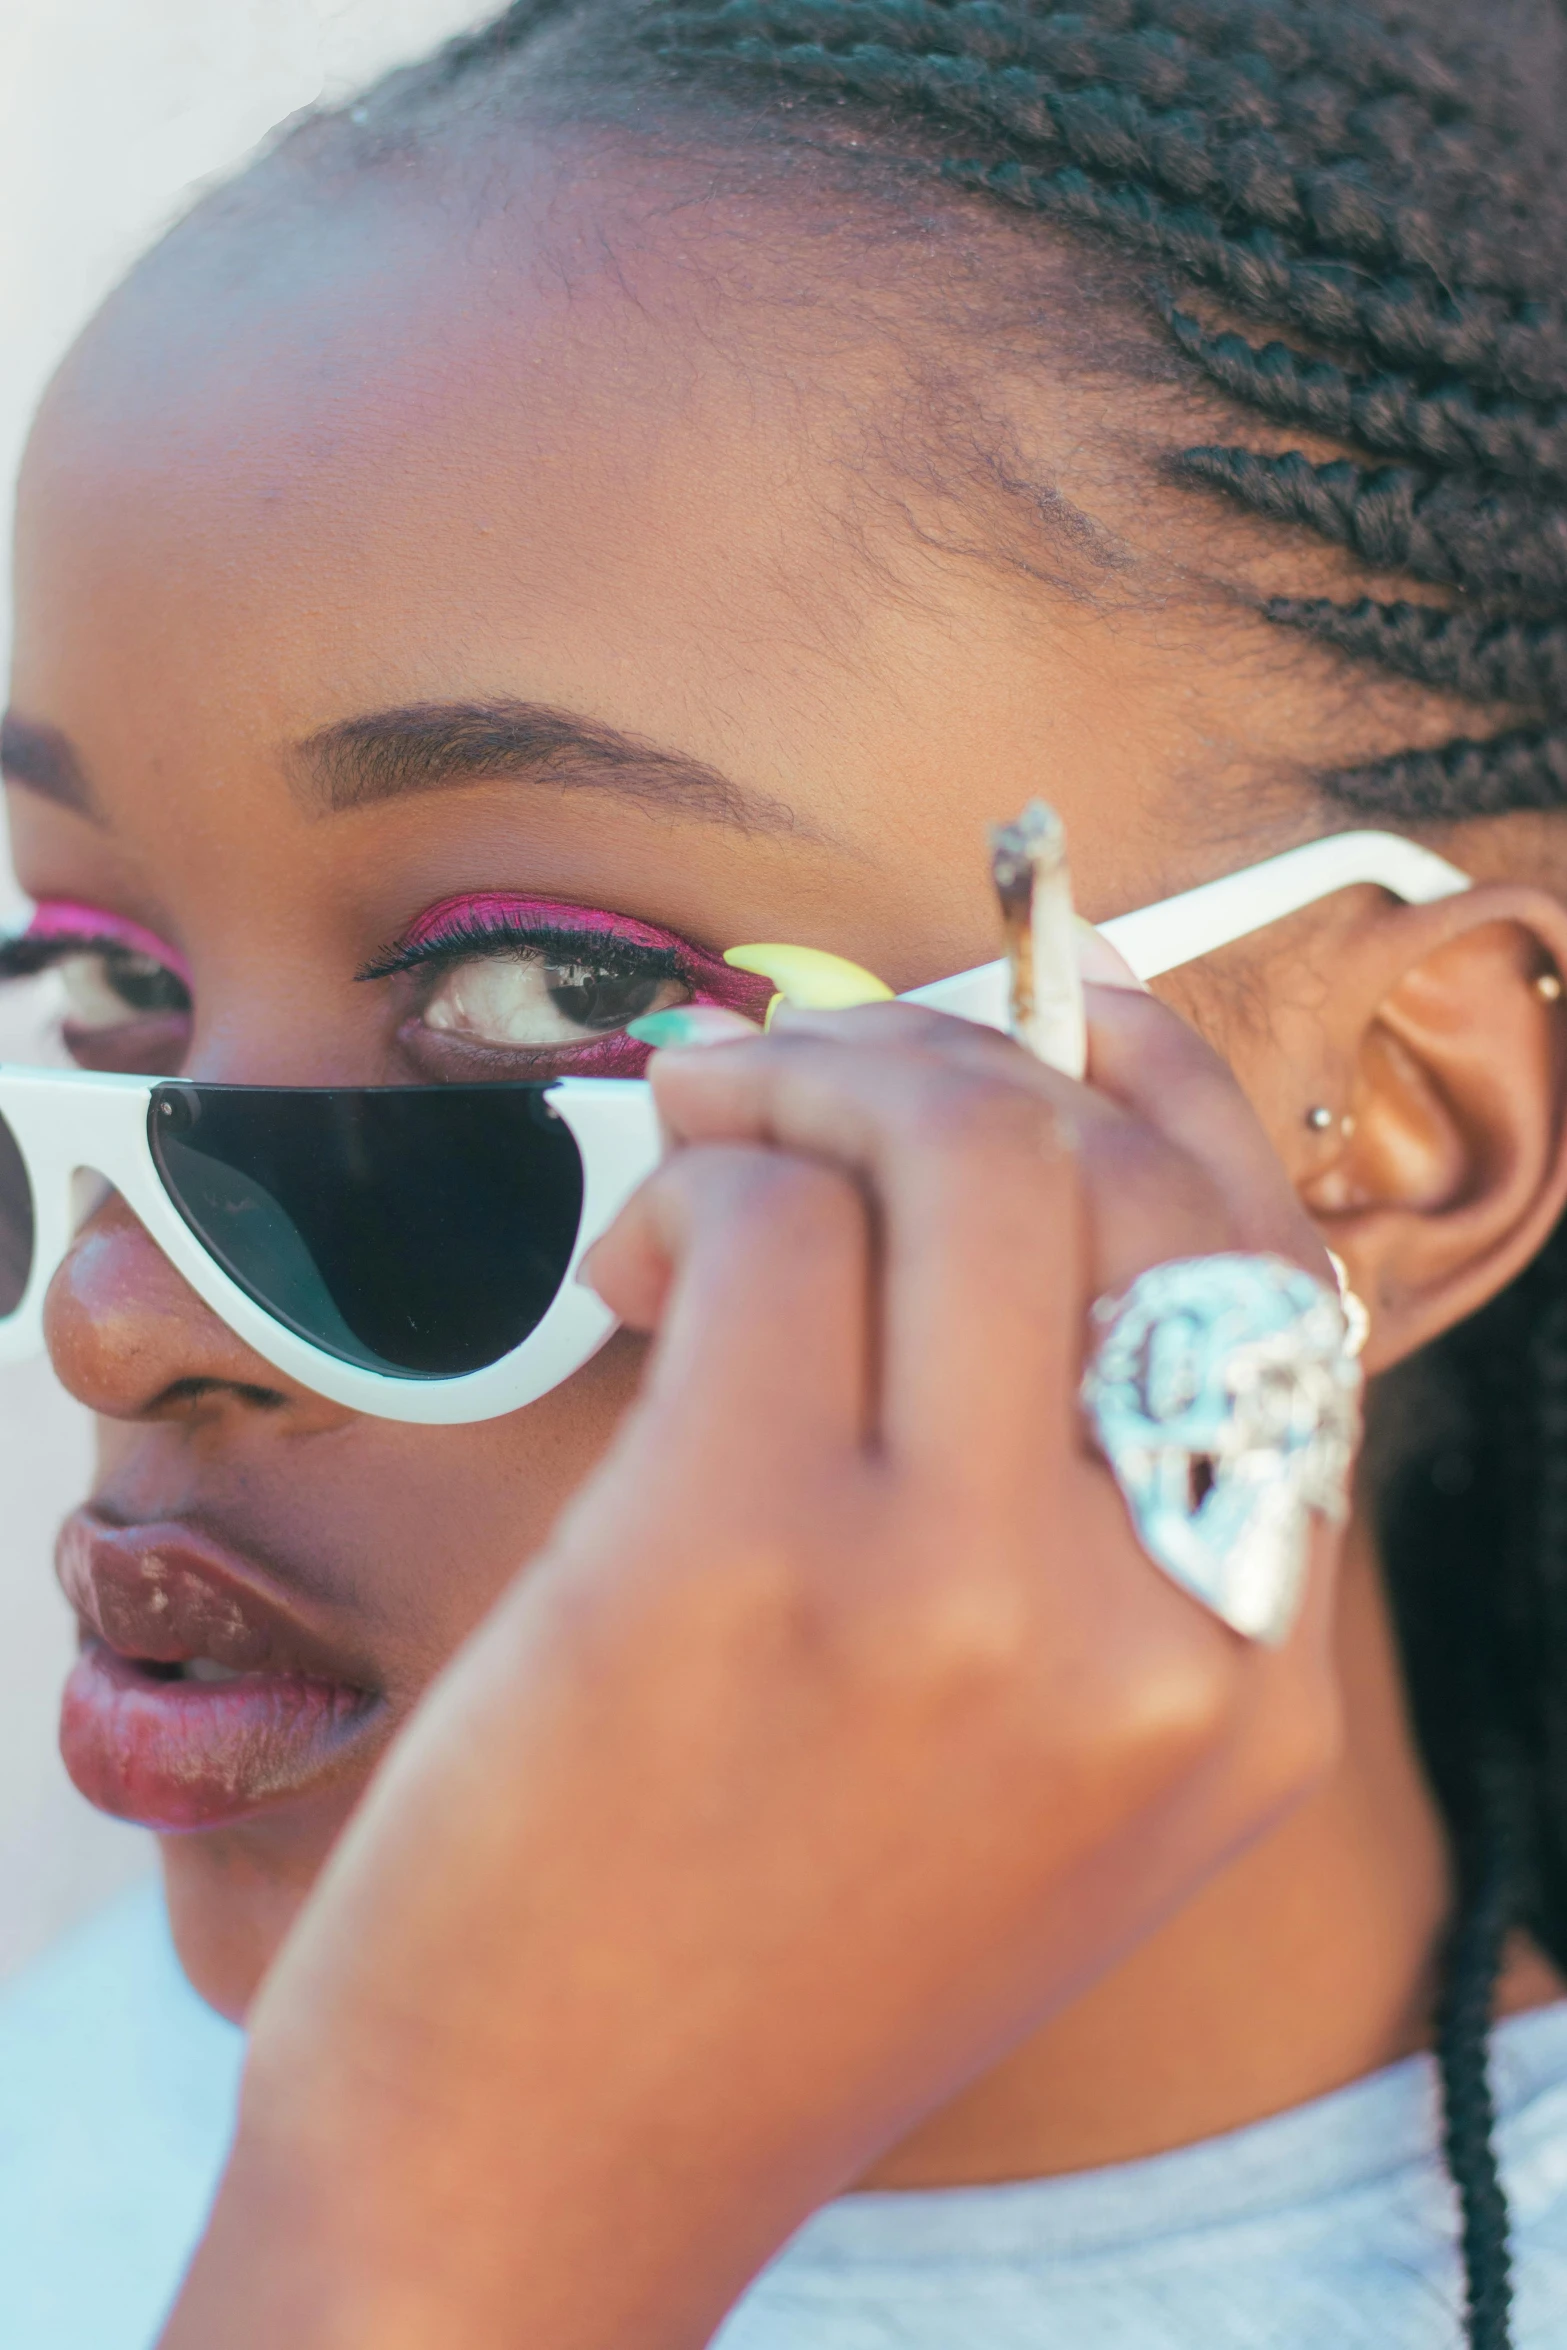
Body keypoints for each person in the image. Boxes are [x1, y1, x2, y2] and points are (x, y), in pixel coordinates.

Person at [5, 1, 1567, 2343]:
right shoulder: (101, 2070)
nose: (116, 1317)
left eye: (544, 992)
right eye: (104, 979)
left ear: (1406, 1125)